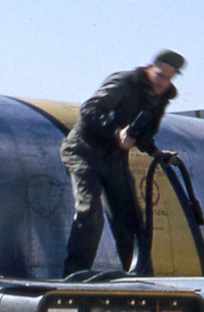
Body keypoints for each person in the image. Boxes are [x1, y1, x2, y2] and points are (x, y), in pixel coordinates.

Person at [60, 50, 184, 277]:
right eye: (160, 75)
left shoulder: (159, 98)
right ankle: (74, 275)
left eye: (169, 78)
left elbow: (142, 133)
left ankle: (139, 274)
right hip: (84, 151)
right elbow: (89, 110)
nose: (162, 83)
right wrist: (116, 133)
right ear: (149, 68)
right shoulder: (125, 82)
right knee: (90, 210)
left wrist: (156, 152)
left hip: (114, 159)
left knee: (130, 217)